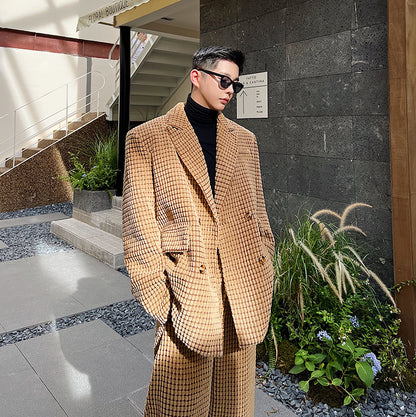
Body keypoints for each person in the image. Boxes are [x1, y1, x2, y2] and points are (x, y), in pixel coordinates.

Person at [122, 46, 275, 417]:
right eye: (224, 80)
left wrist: (265, 263)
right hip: (186, 292)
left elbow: (259, 213)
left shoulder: (245, 140)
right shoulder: (147, 138)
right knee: (178, 405)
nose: (229, 90)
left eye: (235, 85)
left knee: (233, 406)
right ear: (196, 76)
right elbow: (139, 227)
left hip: (241, 290)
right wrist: (160, 301)